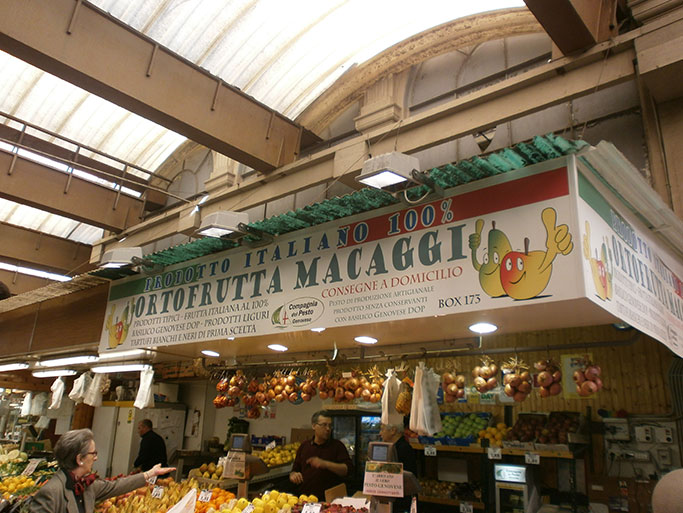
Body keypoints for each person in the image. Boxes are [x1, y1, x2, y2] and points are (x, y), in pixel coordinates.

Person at [29, 428, 174, 513]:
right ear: (80, 459)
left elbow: (117, 486)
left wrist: (150, 473)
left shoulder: (87, 486)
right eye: (93, 454)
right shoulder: (51, 492)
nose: (96, 458)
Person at [290, 410, 352, 500]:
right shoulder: (304, 446)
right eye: (324, 425)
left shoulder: (338, 446)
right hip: (305, 499)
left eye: (330, 425)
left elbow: (347, 470)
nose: (328, 429)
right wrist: (293, 475)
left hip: (329, 501)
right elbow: (295, 469)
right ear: (314, 426)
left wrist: (326, 464)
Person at [379, 423, 417, 513]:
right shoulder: (393, 447)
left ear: (393, 431)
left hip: (402, 502)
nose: (380, 433)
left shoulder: (404, 449)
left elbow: (405, 478)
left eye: (382, 429)